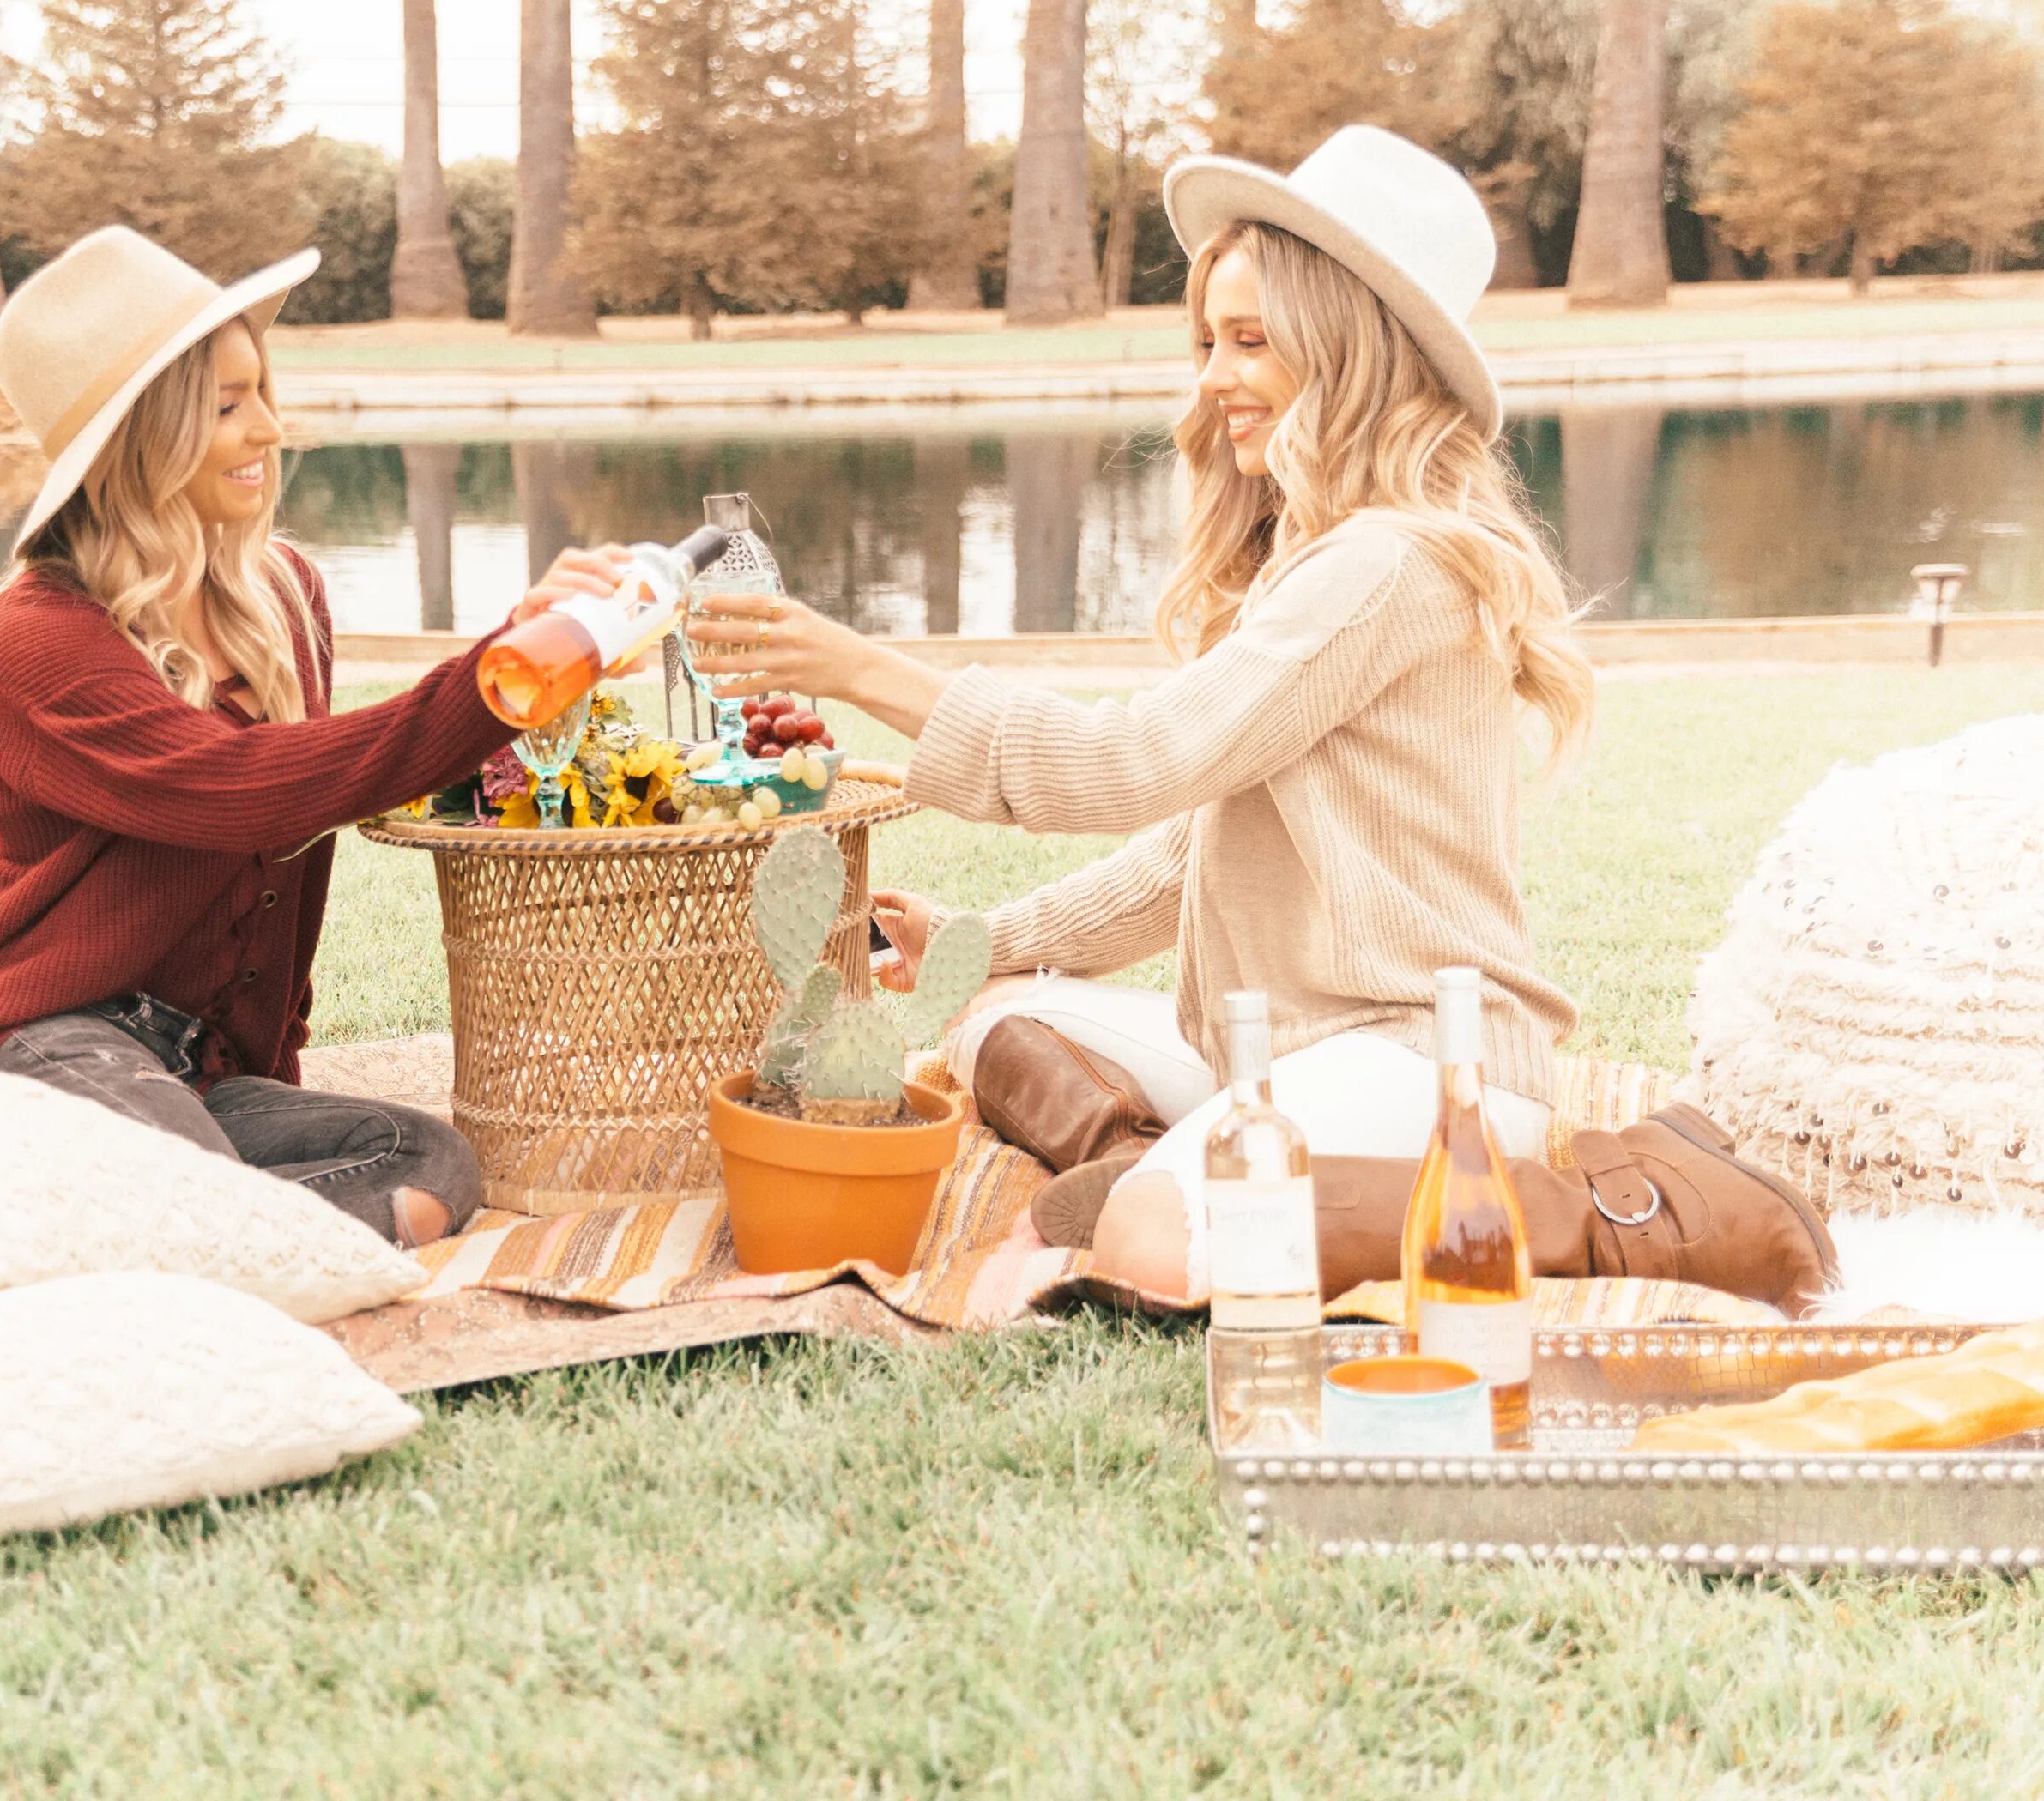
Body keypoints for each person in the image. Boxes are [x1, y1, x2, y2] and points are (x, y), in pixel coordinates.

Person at [690, 128, 1829, 1309]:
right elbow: (1193, 846)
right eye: (1208, 342)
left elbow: (1132, 762)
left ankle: (1578, 1220)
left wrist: (858, 668)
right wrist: (993, 934)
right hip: (1278, 1043)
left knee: (1150, 1247)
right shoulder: (1319, 553)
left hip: (1418, 1053)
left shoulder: (1387, 568)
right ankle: (1163, 1157)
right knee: (988, 1018)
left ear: (1345, 354)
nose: (1213, 378)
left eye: (1250, 343)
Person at [0, 226, 620, 1249]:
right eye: (229, 406)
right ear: (142, 436)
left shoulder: (285, 598)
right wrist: (498, 678)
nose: (269, 429)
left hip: (197, 1074)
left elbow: (333, 807)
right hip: (32, 1042)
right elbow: (251, 790)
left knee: (432, 1166)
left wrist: (542, 674)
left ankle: (147, 1222)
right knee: (203, 1184)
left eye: (263, 394)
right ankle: (152, 1218)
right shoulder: (42, 637)